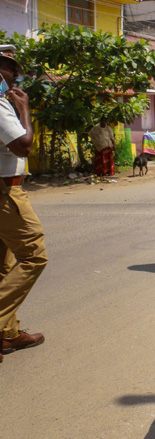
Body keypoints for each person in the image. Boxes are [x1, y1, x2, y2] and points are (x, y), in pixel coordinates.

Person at [0, 45, 46, 362]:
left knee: (3, 266)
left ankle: (9, 333)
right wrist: (25, 109)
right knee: (34, 256)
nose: (14, 77)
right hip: (6, 192)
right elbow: (23, 146)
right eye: (9, 70)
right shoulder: (1, 105)